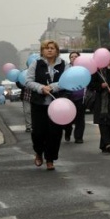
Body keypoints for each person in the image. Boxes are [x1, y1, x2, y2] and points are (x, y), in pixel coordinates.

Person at [25, 40, 67, 170]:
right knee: (38, 132)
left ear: (56, 50)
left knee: (54, 133)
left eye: (52, 48)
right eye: (46, 48)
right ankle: (39, 152)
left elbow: (67, 80)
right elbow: (28, 81)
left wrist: (52, 87)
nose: (49, 50)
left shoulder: (64, 64)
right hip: (39, 103)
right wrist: (41, 88)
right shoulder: (36, 64)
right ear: (42, 51)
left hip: (57, 104)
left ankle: (50, 159)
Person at [89, 50, 110, 154]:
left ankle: (104, 145)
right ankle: (108, 142)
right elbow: (91, 84)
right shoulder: (98, 70)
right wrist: (101, 86)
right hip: (102, 100)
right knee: (103, 121)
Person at [64, 51, 86, 144]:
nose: (74, 58)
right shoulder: (66, 68)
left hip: (81, 97)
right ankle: (68, 131)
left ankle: (78, 137)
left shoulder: (84, 68)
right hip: (69, 97)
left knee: (80, 118)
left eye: (76, 56)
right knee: (68, 118)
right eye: (72, 57)